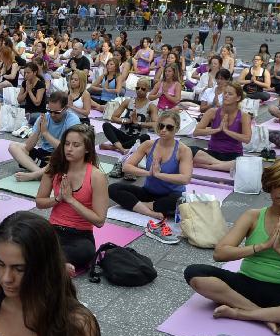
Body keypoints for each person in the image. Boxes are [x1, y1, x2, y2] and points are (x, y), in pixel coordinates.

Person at [184, 157, 280, 335]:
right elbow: (220, 253)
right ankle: (266, 316)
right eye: (278, 185)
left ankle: (242, 313)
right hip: (246, 285)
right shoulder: (252, 216)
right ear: (270, 185)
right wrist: (262, 246)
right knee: (195, 272)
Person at [31, 124, 108, 274]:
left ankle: (50, 263)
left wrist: (71, 200)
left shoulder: (96, 176)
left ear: (87, 149)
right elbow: (40, 202)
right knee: (25, 237)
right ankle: (58, 265)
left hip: (80, 237)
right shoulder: (54, 167)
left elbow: (99, 220)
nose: (69, 148)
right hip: (53, 229)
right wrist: (59, 198)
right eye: (66, 143)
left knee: (85, 252)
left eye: (76, 145)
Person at [109, 110, 193, 243]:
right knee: (113, 188)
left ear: (176, 129)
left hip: (171, 195)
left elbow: (185, 178)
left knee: (177, 202)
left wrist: (160, 175)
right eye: (161, 126)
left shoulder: (183, 150)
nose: (164, 130)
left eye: (169, 127)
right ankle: (151, 212)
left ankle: (138, 205)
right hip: (149, 192)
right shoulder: (149, 145)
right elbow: (126, 166)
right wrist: (149, 173)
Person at [8, 92, 81, 182]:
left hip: (61, 155)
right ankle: (40, 174)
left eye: (56, 112)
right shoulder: (44, 118)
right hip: (45, 156)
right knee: (13, 147)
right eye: (50, 111)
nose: (52, 115)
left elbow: (67, 149)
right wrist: (38, 130)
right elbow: (28, 147)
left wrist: (45, 133)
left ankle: (36, 174)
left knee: (69, 159)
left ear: (65, 108)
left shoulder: (73, 120)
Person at [190, 82, 252, 173]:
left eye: (230, 94)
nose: (226, 95)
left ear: (238, 98)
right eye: (225, 93)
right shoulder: (212, 112)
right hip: (212, 154)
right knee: (189, 150)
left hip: (232, 156)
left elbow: (247, 139)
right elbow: (196, 132)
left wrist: (227, 131)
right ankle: (219, 165)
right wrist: (217, 130)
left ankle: (210, 166)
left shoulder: (244, 116)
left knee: (240, 164)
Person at [100, 77, 156, 155]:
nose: (139, 90)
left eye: (142, 89)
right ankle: (122, 149)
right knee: (106, 125)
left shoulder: (151, 106)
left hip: (137, 138)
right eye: (137, 88)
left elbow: (155, 124)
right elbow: (113, 118)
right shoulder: (128, 101)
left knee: (146, 137)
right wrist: (126, 121)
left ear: (148, 90)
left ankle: (114, 147)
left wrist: (138, 123)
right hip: (123, 135)